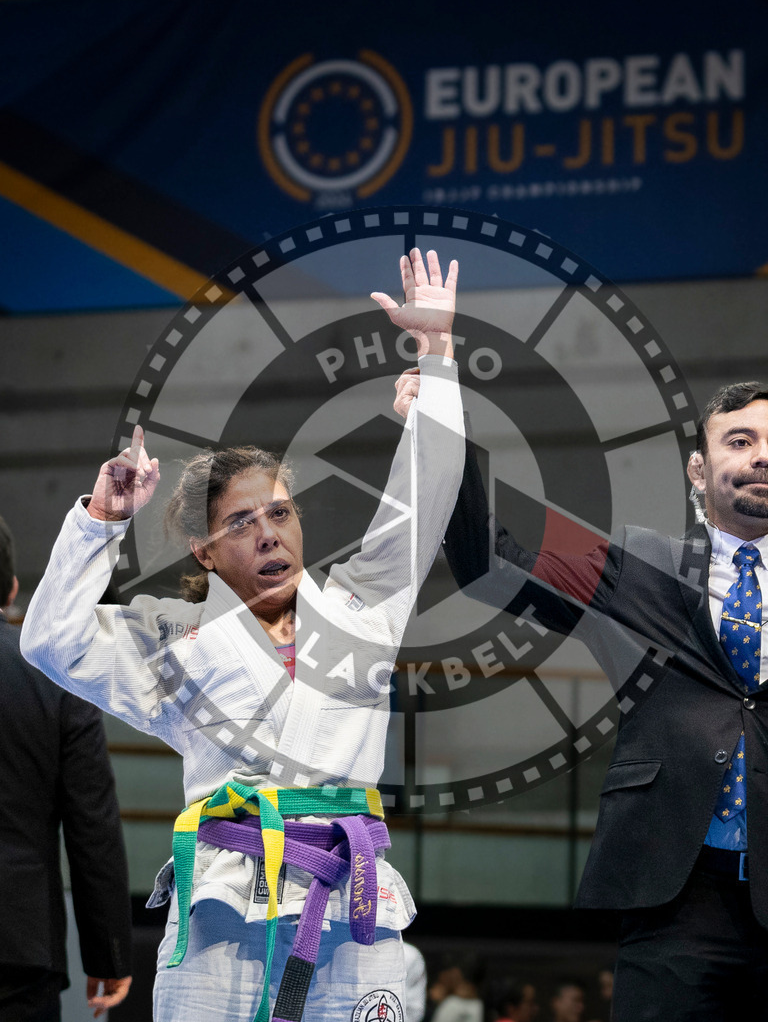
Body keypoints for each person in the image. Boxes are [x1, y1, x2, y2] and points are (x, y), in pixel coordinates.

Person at [21, 249, 464, 1022]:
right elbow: (51, 642)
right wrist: (100, 524)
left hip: (351, 906)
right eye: (240, 522)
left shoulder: (365, 608)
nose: (268, 533)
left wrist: (438, 359)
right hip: (222, 909)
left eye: (280, 513)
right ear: (203, 549)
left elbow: (420, 503)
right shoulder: (174, 641)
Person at [396, 377, 768, 1021]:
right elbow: (489, 561)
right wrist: (441, 424)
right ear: (698, 471)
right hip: (675, 897)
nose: (764, 455)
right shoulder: (638, 564)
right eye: (741, 440)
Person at [0, 515, 132, 1020]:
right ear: (12, 587)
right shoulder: (49, 679)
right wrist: (109, 952)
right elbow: (91, 825)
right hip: (16, 945)